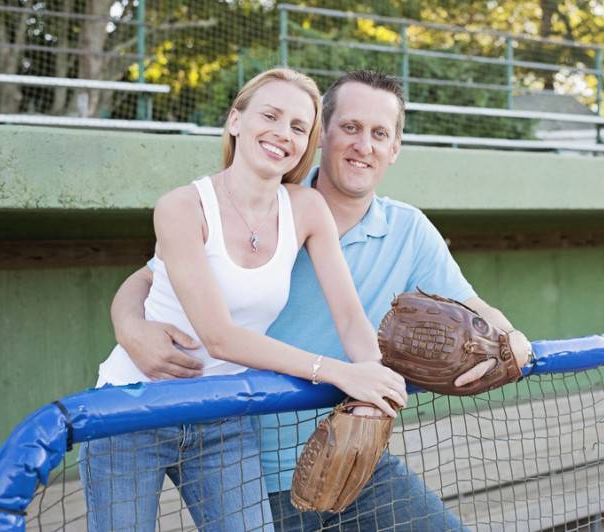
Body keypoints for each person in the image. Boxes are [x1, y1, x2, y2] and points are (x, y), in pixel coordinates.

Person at [110, 70, 531, 531]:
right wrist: (129, 329)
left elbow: (472, 306)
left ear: (394, 148)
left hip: (354, 453)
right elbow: (152, 279)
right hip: (254, 463)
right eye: (349, 128)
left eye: (379, 134)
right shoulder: (258, 203)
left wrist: (513, 339)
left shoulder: (406, 229)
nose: (363, 145)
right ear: (323, 136)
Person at [79, 68, 408, 532]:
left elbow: (351, 318)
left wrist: (373, 381)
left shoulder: (307, 209)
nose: (282, 134)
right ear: (236, 120)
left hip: (224, 418)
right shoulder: (181, 206)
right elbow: (219, 337)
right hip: (133, 413)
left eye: (298, 126)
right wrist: (339, 372)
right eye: (270, 115)